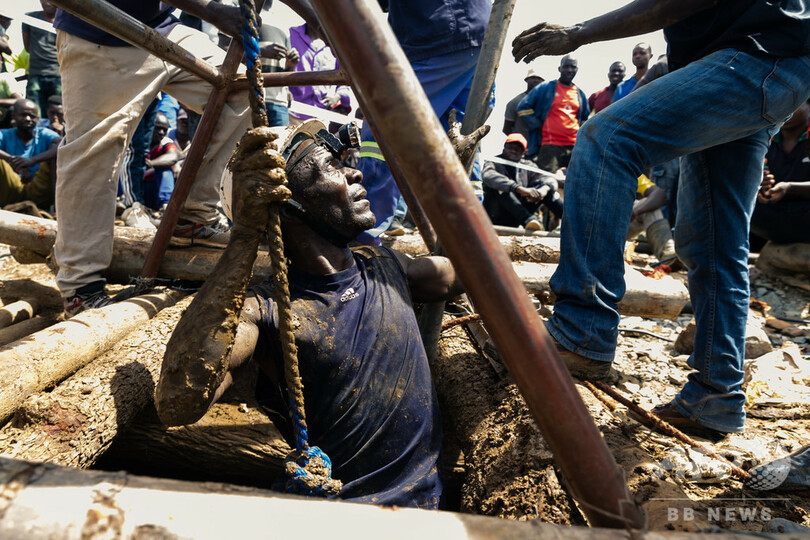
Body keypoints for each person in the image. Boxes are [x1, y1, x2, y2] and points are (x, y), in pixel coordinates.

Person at [512, 0, 810, 441]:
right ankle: (716, 394)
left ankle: (581, 332)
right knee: (711, 240)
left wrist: (578, 32)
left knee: (606, 138)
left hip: (756, 58)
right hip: (771, 68)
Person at [156, 120, 462, 508]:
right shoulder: (266, 312)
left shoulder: (385, 265)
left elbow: (462, 274)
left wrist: (451, 179)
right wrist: (246, 235)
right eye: (331, 167)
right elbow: (176, 403)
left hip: (421, 515)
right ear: (289, 207)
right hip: (335, 519)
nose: (354, 172)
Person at [52, 0, 317, 317]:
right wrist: (214, 12)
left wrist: (319, 21)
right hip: (100, 28)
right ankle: (81, 286)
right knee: (94, 155)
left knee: (242, 91)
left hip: (162, 27)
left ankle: (192, 218)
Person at [354, 0, 491, 244]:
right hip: (476, 32)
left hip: (438, 33)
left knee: (385, 128)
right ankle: (467, 244)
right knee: (455, 141)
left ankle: (364, 235)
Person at [751, 100, 810, 245]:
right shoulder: (764, 139)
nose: (783, 111)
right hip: (776, 215)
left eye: (793, 104)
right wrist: (758, 185)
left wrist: (789, 187)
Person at [517, 54, 589, 172]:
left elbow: (585, 118)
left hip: (574, 146)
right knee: (547, 181)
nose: (569, 70)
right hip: (551, 145)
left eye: (572, 67)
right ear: (559, 69)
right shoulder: (546, 88)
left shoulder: (579, 94)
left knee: (573, 182)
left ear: (576, 69)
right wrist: (538, 125)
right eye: (566, 67)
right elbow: (523, 107)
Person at [482, 133, 562, 231]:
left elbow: (548, 179)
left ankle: (570, 221)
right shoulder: (493, 161)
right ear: (504, 148)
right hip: (497, 215)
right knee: (500, 188)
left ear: (524, 152)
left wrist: (542, 190)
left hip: (517, 214)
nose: (513, 151)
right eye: (510, 147)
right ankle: (529, 220)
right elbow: (488, 176)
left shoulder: (528, 165)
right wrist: (518, 188)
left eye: (517, 149)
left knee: (549, 190)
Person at [0, 98, 61, 209]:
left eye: (32, 116)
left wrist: (31, 161)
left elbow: (61, 144)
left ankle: (58, 208)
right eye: (23, 115)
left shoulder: (43, 133)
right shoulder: (4, 134)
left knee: (56, 154)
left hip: (38, 188)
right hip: (10, 188)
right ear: (13, 116)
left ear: (37, 119)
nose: (28, 119)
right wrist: (14, 162)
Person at [288, 22, 351, 123]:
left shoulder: (335, 42)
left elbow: (345, 78)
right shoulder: (292, 34)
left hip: (322, 115)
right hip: (292, 112)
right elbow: (281, 66)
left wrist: (336, 97)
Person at [259, 1, 299, 127]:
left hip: (279, 103)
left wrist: (291, 63)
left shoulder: (282, 22)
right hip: (251, 98)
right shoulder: (242, 12)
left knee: (280, 146)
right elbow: (225, 51)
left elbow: (287, 70)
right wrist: (261, 52)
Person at [627, 174, 678, 265]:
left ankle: (668, 256)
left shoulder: (628, 170)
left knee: (649, 208)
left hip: (621, 223)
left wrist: (635, 212)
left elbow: (659, 194)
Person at [23, 1, 61, 117]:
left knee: (60, 116)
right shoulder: (30, 18)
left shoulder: (65, 21)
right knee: (34, 115)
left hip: (59, 75)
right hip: (36, 74)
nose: (47, 2)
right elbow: (28, 47)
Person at [144, 112, 179, 211]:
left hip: (155, 191)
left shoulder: (166, 142)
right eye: (158, 128)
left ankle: (165, 207)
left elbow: (172, 157)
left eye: (164, 129)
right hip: (139, 190)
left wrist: (151, 163)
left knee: (165, 170)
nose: (161, 132)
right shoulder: (139, 141)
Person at [503, 68, 544, 138]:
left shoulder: (548, 102)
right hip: (523, 146)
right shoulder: (515, 102)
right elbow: (507, 129)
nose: (536, 80)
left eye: (539, 78)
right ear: (526, 80)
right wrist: (518, 144)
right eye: (533, 78)